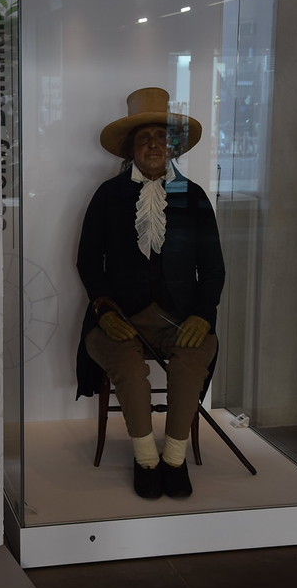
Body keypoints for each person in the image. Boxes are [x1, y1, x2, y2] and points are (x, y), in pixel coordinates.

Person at [76, 87, 225, 500]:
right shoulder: (108, 196)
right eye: (145, 139)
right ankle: (146, 459)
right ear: (131, 149)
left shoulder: (193, 197)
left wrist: (202, 315)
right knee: (124, 363)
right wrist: (105, 312)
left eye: (161, 138)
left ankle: (174, 460)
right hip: (119, 316)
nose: (154, 145)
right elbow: (89, 262)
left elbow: (212, 269)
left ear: (173, 146)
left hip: (179, 317)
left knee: (194, 359)